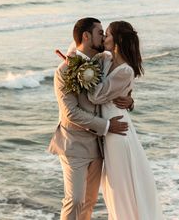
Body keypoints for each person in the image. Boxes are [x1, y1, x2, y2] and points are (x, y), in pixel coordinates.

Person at [48, 17, 134, 220]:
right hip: (74, 144)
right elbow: (71, 112)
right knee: (75, 200)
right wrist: (106, 125)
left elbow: (120, 81)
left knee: (89, 201)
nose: (104, 36)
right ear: (86, 36)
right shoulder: (64, 71)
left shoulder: (104, 60)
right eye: (99, 32)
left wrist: (130, 100)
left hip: (98, 146)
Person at [87, 20, 164, 220]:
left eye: (108, 34)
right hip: (108, 128)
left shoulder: (125, 71)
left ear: (118, 39)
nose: (104, 37)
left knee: (120, 183)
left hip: (117, 131)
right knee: (113, 184)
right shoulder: (105, 59)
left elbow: (96, 96)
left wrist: (128, 100)